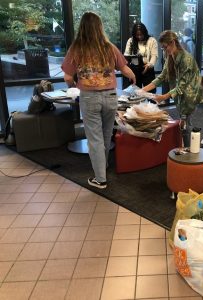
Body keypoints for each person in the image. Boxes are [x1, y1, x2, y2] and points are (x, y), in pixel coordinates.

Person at [62, 12, 136, 189]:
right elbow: (125, 69)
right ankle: (103, 166)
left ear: (82, 28)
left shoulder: (76, 48)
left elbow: (66, 77)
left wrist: (75, 83)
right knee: (105, 134)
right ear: (100, 27)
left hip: (89, 97)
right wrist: (133, 79)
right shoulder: (108, 47)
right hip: (110, 95)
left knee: (94, 138)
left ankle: (100, 178)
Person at [141, 30, 203, 147]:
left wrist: (164, 97)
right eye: (162, 48)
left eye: (165, 47)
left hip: (190, 95)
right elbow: (162, 77)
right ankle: (187, 148)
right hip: (180, 94)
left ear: (173, 42)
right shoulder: (170, 57)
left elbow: (183, 85)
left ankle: (189, 150)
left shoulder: (186, 59)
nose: (164, 50)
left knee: (185, 124)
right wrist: (143, 90)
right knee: (183, 123)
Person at [124, 22, 158, 92]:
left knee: (150, 92)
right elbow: (126, 55)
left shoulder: (152, 40)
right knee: (134, 92)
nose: (139, 37)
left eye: (141, 34)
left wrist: (149, 65)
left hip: (147, 68)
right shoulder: (130, 41)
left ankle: (151, 103)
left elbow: (154, 55)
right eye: (137, 35)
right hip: (134, 69)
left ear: (145, 32)